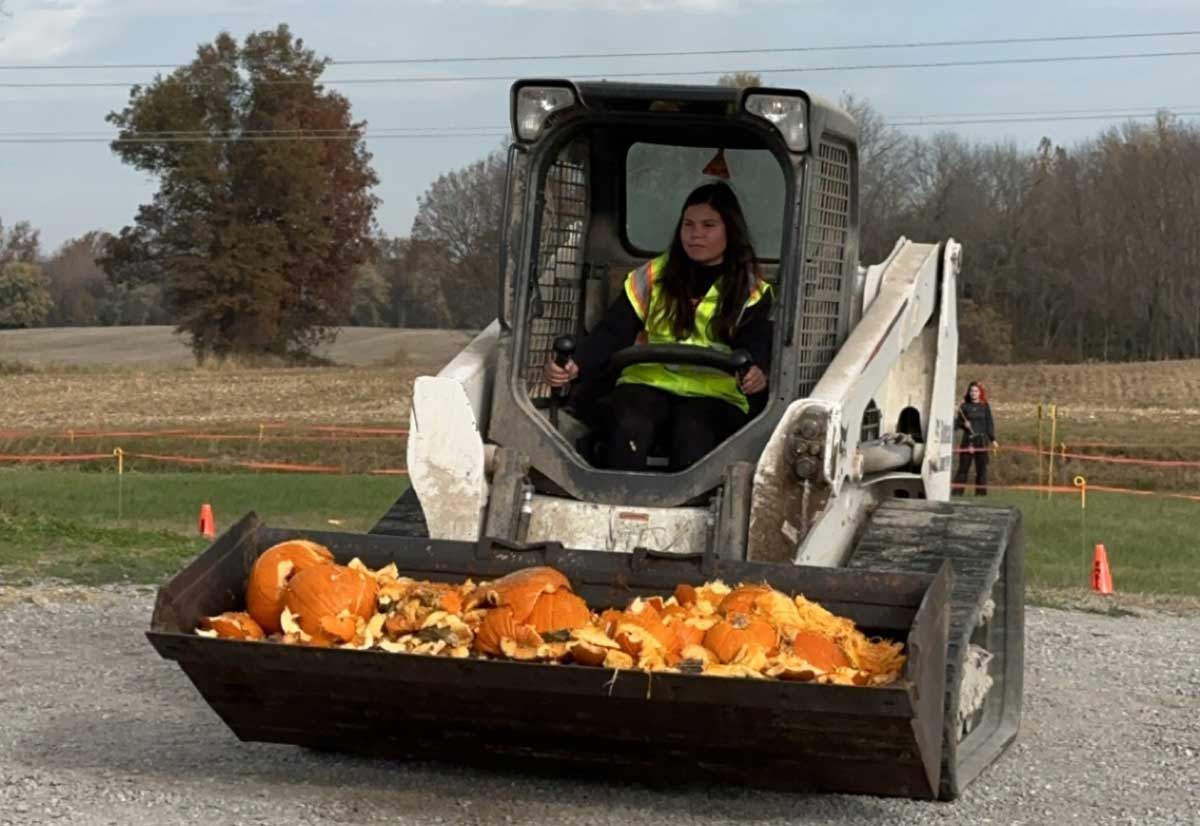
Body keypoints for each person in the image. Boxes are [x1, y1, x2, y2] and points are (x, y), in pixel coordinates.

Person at [543, 181, 772, 471]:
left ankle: (692, 509)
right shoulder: (652, 277)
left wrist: (756, 373)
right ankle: (616, 499)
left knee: (692, 429)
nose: (695, 234)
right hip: (646, 385)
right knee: (629, 420)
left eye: (708, 225)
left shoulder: (750, 290)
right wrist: (574, 365)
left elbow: (757, 343)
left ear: (730, 230)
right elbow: (613, 330)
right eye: (688, 225)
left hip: (715, 396)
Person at [953, 381, 998, 495]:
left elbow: (989, 423)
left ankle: (981, 494)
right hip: (968, 440)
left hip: (982, 440)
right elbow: (957, 423)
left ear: (980, 393)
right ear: (969, 392)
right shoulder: (964, 407)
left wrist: (993, 439)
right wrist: (964, 424)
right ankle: (957, 493)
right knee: (963, 468)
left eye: (976, 391)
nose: (973, 393)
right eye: (971, 391)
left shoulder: (985, 406)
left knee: (981, 470)